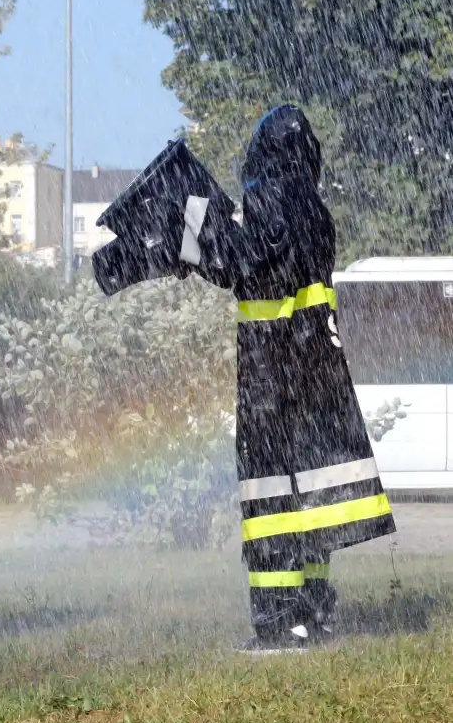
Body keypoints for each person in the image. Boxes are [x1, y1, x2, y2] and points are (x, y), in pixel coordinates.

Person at [95, 105, 395, 653]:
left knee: (271, 501)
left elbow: (243, 264)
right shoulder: (315, 209)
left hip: (273, 379)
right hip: (314, 373)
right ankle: (315, 612)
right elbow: (262, 261)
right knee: (311, 496)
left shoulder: (273, 200)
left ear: (265, 154)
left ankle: (282, 623)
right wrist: (196, 230)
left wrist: (189, 225)